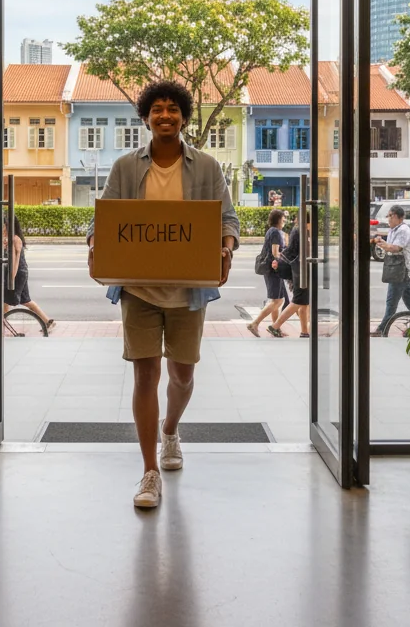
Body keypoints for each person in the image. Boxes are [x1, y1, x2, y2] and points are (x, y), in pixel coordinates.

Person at [86, 80, 239, 509]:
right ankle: (149, 470)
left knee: (183, 375)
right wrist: (94, 244)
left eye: (173, 109)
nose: (166, 115)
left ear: (185, 117)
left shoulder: (208, 168)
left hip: (189, 289)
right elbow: (104, 217)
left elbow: (228, 217)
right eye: (158, 109)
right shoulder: (124, 167)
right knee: (144, 375)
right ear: (146, 117)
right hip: (139, 288)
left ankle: (171, 429)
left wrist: (225, 247)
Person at [372, 205, 410, 335]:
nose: (389, 219)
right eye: (388, 216)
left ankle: (382, 329)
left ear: (399, 217)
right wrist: (382, 242)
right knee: (409, 301)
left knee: (391, 301)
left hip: (402, 269)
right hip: (399, 269)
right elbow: (390, 246)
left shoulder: (403, 230)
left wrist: (384, 244)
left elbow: (396, 248)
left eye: (391, 216)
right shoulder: (394, 230)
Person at [2, 214, 54, 330]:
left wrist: (11, 278)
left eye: (4, 225)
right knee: (26, 300)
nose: (2, 228)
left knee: (5, 298)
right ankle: (47, 321)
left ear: (8, 226)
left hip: (17, 273)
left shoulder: (15, 239)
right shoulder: (12, 239)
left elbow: (15, 261)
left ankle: (2, 326)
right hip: (21, 272)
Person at [247, 209, 288, 337]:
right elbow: (275, 252)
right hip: (273, 269)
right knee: (277, 301)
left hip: (272, 269)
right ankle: (254, 323)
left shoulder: (271, 231)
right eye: (283, 219)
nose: (284, 221)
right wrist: (286, 258)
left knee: (278, 299)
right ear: (278, 220)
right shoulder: (275, 232)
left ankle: (276, 328)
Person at [268, 213, 310, 338]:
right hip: (300, 269)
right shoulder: (302, 232)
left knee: (304, 302)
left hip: (299, 268)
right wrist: (280, 260)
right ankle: (275, 326)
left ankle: (304, 332)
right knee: (298, 300)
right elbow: (295, 250)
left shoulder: (298, 230)